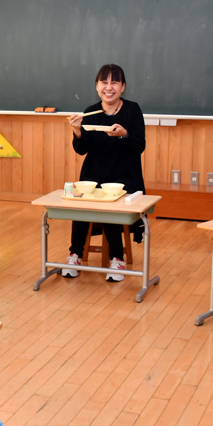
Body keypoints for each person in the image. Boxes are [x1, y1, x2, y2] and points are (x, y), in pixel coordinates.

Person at [63, 63, 146, 282]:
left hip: (124, 175)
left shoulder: (132, 110)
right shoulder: (91, 111)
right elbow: (82, 149)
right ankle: (75, 255)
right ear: (97, 86)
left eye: (114, 82)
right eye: (104, 82)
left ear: (123, 87)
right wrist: (77, 131)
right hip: (94, 173)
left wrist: (124, 134)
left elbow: (139, 146)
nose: (109, 87)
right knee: (82, 200)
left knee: (110, 200)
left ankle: (116, 258)